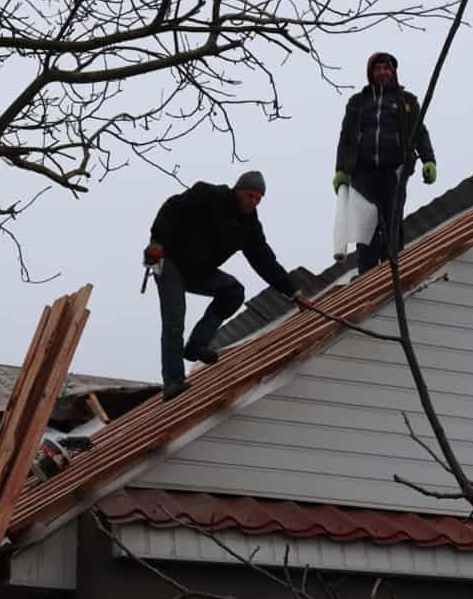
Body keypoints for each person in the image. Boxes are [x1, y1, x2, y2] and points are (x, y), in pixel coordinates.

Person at [144, 171, 310, 401]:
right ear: (237, 191)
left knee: (233, 291)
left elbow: (265, 261)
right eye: (249, 196)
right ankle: (173, 381)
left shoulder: (249, 227)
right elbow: (171, 208)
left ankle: (196, 346)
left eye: (258, 199)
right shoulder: (208, 194)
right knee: (174, 318)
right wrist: (156, 241)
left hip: (197, 272)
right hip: (167, 260)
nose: (252, 203)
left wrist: (294, 292)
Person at [334, 52, 438, 274]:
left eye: (387, 68)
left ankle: (393, 271)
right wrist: (341, 170)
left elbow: (418, 132)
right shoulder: (358, 102)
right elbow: (346, 137)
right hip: (363, 173)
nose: (382, 72)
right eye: (377, 68)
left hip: (395, 171)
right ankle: (367, 275)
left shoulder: (406, 101)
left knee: (392, 222)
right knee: (366, 225)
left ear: (393, 73)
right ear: (370, 73)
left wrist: (429, 160)